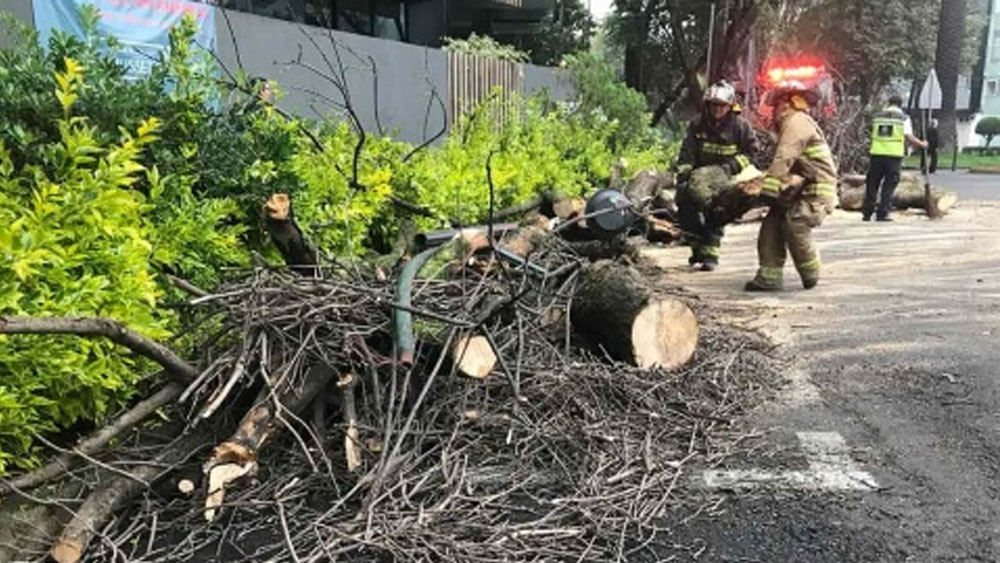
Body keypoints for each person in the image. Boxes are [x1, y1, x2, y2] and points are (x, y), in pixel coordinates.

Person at [743, 80, 838, 292]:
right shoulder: (790, 124)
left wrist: (769, 188)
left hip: (815, 191)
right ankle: (769, 277)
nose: (774, 110)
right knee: (771, 226)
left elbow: (785, 155)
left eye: (776, 105)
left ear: (787, 103)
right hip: (797, 190)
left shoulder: (797, 122)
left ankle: (810, 272)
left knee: (796, 224)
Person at [673, 80, 759, 271]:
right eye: (714, 105)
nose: (718, 109)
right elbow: (687, 153)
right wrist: (684, 179)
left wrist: (732, 166)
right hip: (698, 178)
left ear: (730, 106)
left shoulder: (740, 127)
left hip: (725, 177)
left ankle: (711, 255)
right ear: (708, 105)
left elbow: (752, 152)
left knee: (717, 211)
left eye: (722, 105)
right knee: (685, 205)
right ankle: (696, 249)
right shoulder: (698, 125)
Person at [863, 94, 928, 221]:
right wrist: (922, 144)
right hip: (893, 156)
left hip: (876, 154)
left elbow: (869, 131)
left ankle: (867, 212)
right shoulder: (903, 118)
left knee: (872, 183)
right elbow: (908, 136)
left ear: (889, 103)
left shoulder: (877, 117)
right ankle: (882, 213)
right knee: (889, 185)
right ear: (900, 104)